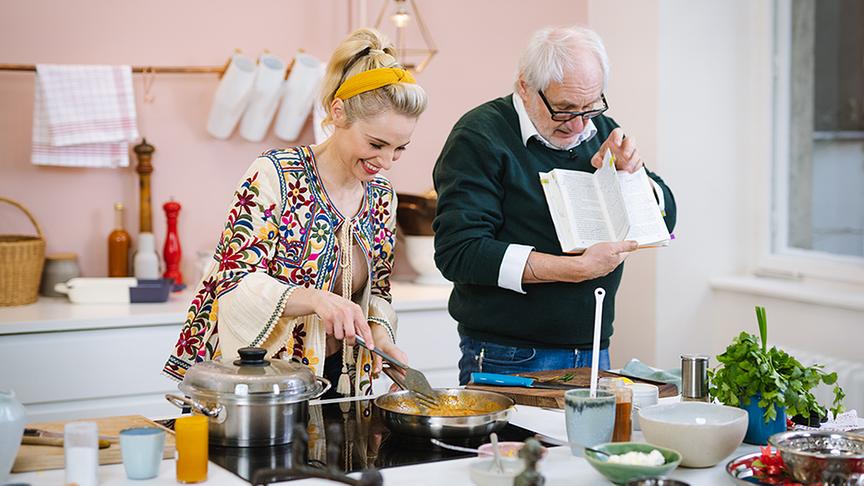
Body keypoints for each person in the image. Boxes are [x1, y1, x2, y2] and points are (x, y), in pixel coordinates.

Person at [163, 28, 427, 400]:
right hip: (262, 381)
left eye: (400, 149)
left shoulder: (381, 196)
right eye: (376, 144)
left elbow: (379, 292)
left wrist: (383, 338)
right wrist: (317, 299)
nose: (385, 162)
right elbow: (232, 283)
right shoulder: (276, 174)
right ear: (338, 113)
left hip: (343, 379)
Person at [432, 26, 677, 385]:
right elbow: (460, 252)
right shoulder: (481, 136)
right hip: (508, 353)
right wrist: (574, 269)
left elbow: (666, 217)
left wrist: (633, 177)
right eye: (563, 110)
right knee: (512, 445)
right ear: (524, 87)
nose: (578, 124)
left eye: (590, 107)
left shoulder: (600, 129)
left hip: (594, 348)